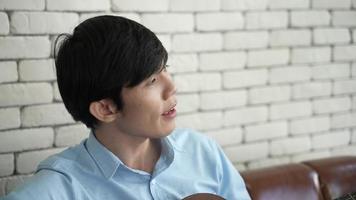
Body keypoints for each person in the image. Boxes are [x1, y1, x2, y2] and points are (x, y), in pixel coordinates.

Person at [3, 15, 251, 200]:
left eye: (165, 69)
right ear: (106, 109)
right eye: (152, 81)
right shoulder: (60, 189)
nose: (171, 87)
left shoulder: (203, 152)